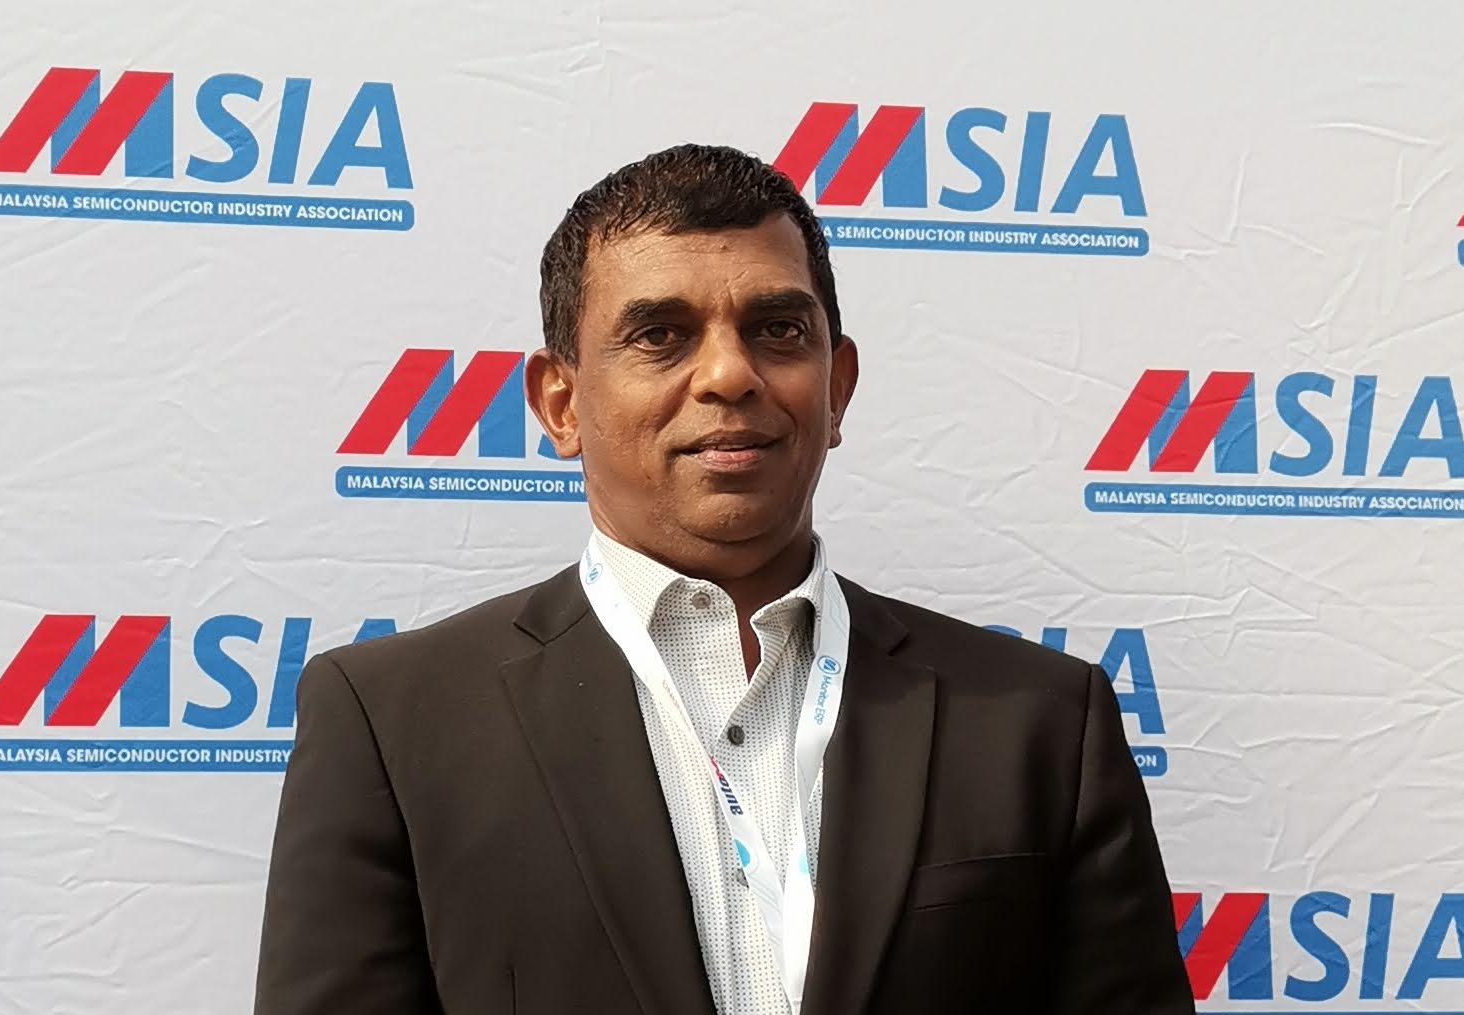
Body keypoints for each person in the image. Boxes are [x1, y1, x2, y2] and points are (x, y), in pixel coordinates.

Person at [253, 144, 1194, 1014]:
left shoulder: (1039, 721)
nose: (729, 375)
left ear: (837, 387)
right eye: (661, 335)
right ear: (560, 402)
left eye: (777, 329)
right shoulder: (392, 722)